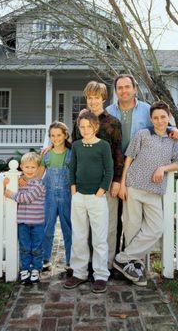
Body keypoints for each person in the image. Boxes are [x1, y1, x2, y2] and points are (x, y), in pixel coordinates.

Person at [106, 74, 178, 254]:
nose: (124, 91)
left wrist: (173, 128)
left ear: (135, 89)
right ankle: (112, 261)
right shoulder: (108, 111)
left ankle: (129, 258)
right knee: (112, 220)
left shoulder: (147, 110)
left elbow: (161, 124)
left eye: (127, 87)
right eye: (120, 88)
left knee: (134, 222)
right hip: (114, 169)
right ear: (116, 91)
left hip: (138, 172)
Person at [113, 101, 178, 286]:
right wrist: (123, 184)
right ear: (151, 119)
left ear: (169, 117)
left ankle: (121, 258)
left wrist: (163, 168)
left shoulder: (174, 139)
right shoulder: (143, 134)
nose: (159, 121)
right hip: (134, 186)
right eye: (156, 118)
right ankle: (134, 268)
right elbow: (129, 158)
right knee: (132, 227)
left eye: (163, 117)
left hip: (154, 191)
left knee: (156, 228)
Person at [71, 81, 123, 269]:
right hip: (84, 184)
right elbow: (74, 148)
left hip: (106, 183)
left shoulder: (113, 123)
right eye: (90, 98)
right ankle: (88, 264)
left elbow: (118, 153)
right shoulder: (80, 121)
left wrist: (117, 180)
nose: (93, 101)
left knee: (108, 226)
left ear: (103, 99)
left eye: (96, 97)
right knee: (85, 227)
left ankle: (106, 266)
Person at [64, 111, 114, 293]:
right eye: (82, 127)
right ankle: (79, 272)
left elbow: (109, 170)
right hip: (78, 196)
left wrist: (101, 190)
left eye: (88, 126)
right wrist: (73, 189)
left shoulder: (103, 146)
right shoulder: (77, 145)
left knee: (99, 238)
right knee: (79, 236)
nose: (85, 130)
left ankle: (100, 275)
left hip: (97, 197)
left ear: (96, 127)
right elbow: (72, 168)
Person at [4, 152, 46, 285]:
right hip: (22, 222)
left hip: (37, 222)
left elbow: (26, 198)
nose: (29, 170)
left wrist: (11, 194)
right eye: (27, 167)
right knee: (24, 247)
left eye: (33, 167)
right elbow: (6, 190)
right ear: (21, 167)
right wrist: (6, 185)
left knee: (36, 248)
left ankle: (36, 269)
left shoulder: (39, 185)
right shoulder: (20, 183)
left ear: (38, 169)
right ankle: (25, 269)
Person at [41, 121, 72, 273]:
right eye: (52, 135)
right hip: (49, 197)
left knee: (68, 228)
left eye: (59, 135)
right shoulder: (46, 155)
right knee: (47, 228)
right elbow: (38, 176)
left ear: (65, 135)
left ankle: (71, 260)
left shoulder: (71, 153)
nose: (56, 138)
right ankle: (45, 259)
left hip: (67, 196)